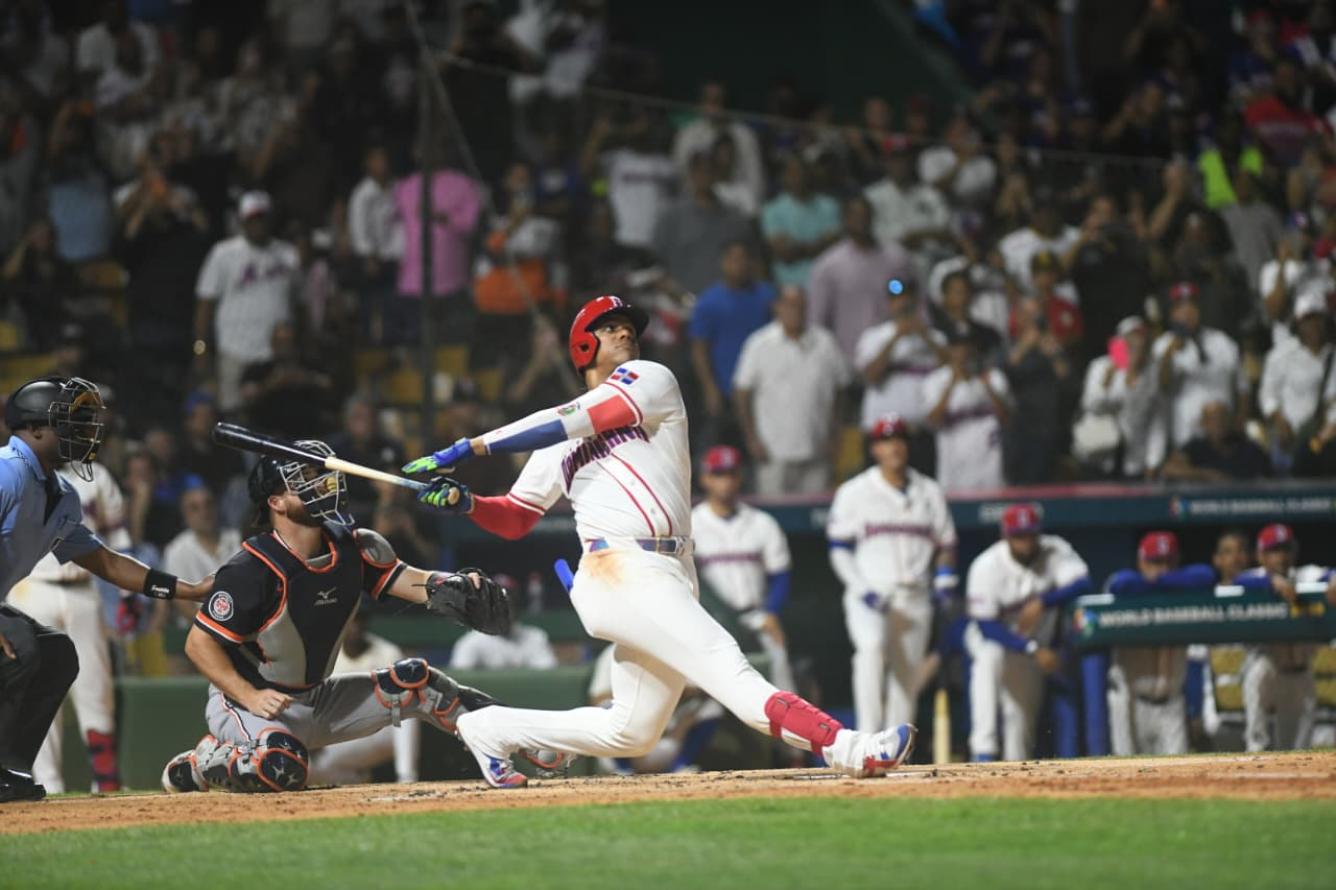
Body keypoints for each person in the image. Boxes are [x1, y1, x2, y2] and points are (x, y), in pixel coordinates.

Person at [404, 294, 916, 788]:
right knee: (726, 664)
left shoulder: (650, 380)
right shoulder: (554, 439)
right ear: (583, 345)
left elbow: (576, 419)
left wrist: (471, 446)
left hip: (671, 569)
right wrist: (467, 503)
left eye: (629, 327)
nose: (625, 333)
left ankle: (490, 728)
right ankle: (848, 747)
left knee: (631, 730)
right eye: (610, 328)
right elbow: (517, 517)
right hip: (620, 570)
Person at [159, 442, 527, 794]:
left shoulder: (355, 547)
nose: (321, 484)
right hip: (246, 704)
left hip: (318, 698)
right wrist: (250, 696)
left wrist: (455, 584)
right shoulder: (251, 569)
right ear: (276, 502)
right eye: (303, 479)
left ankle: (527, 738)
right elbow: (198, 644)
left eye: (320, 475)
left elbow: (414, 582)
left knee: (418, 682)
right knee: (282, 766)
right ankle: (205, 761)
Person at [1, 377, 211, 803]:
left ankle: (8, 770)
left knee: (58, 654)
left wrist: (187, 590)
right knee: (21, 644)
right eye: (68, 422)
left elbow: (108, 562)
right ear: (34, 428)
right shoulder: (8, 471)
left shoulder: (59, 494)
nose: (82, 431)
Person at [6, 458, 130, 794]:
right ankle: (48, 783)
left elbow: (117, 533)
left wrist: (127, 595)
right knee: (39, 689)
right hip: (32, 589)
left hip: (84, 590)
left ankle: (106, 779)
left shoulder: (95, 475)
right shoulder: (13, 471)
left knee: (96, 688)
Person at [826, 415, 957, 733]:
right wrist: (861, 588)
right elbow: (839, 548)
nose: (893, 447)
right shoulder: (855, 491)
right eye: (885, 441)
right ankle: (868, 737)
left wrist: (944, 577)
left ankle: (894, 749)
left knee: (907, 678)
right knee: (870, 651)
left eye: (898, 439)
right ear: (875, 449)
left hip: (915, 595)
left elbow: (946, 543)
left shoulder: (929, 491)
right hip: (872, 594)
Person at [964, 504, 1091, 762]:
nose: (1025, 542)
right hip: (996, 640)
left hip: (1033, 647)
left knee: (1020, 718)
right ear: (1006, 536)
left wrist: (1044, 601)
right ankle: (983, 751)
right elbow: (988, 628)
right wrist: (1031, 649)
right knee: (989, 659)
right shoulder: (986, 565)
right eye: (1018, 536)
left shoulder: (1054, 549)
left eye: (1030, 534)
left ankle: (1017, 774)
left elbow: (1083, 583)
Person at [1104, 531, 1218, 757]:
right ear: (1141, 562)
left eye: (1169, 562)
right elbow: (1120, 584)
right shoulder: (1130, 589)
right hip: (1132, 704)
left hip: (1171, 706)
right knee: (1127, 771)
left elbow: (1207, 576)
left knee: (1178, 772)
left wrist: (1161, 581)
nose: (1163, 569)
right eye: (1155, 562)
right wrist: (1162, 583)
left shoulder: (1183, 592)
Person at [690, 446, 795, 692]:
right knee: (703, 691)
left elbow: (780, 574)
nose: (725, 481)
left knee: (781, 675)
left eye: (731, 474)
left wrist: (772, 612)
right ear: (704, 478)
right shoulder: (690, 525)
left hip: (755, 617)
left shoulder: (762, 523)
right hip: (709, 621)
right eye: (718, 474)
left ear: (740, 477)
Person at [732, 285, 851, 496]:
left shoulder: (825, 342)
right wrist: (751, 438)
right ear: (777, 307)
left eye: (800, 305)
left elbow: (841, 388)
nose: (795, 310)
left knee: (815, 511)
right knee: (774, 511)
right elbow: (742, 392)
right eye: (789, 305)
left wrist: (835, 433)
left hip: (817, 447)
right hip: (772, 451)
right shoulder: (759, 344)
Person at [193, 192, 300, 412]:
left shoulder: (288, 255)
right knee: (233, 414)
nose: (258, 224)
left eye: (262, 218)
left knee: (276, 414)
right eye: (252, 219)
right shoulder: (224, 253)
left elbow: (299, 303)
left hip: (275, 356)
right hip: (235, 350)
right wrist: (201, 349)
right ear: (242, 221)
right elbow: (205, 305)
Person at [1232, 524, 1332, 752]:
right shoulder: (1254, 578)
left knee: (1298, 751)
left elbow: (1329, 574)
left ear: (1294, 551)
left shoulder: (1305, 575)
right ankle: (1255, 752)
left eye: (1285, 549)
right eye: (1274, 550)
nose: (1281, 557)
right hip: (1268, 666)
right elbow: (1238, 581)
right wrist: (1270, 582)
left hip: (1301, 672)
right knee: (1256, 671)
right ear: (1260, 555)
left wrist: (1334, 580)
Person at [307, 610, 419, 787]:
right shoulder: (326, 655)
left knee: (407, 708)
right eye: (350, 622)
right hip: (342, 733)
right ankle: (357, 781)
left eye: (359, 621)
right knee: (310, 767)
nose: (355, 627)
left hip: (381, 731)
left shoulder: (387, 652)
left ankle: (407, 778)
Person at [854, 277, 945, 471]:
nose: (902, 303)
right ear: (889, 302)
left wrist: (925, 336)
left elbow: (953, 368)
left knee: (922, 486)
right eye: (896, 298)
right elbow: (871, 376)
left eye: (907, 297)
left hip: (920, 433)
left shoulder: (935, 337)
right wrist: (896, 336)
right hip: (882, 433)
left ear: (916, 301)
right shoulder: (874, 336)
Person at [807, 195, 913, 357]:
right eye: (854, 216)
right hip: (848, 354)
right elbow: (817, 320)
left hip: (896, 354)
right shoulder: (828, 266)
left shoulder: (897, 258)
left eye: (865, 215)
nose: (861, 221)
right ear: (844, 220)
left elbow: (913, 302)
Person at [688, 241, 776, 431]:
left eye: (744, 259)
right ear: (723, 263)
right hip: (725, 388)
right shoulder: (709, 302)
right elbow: (699, 349)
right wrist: (709, 387)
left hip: (763, 388)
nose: (740, 264)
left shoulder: (766, 296)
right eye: (734, 259)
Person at [922, 331, 1011, 492]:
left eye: (966, 348)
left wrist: (987, 386)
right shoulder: (935, 381)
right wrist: (951, 384)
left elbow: (1007, 419)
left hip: (989, 465)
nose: (962, 353)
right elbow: (933, 421)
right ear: (949, 350)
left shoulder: (993, 377)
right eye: (957, 348)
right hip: (954, 466)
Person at [1259, 285, 1336, 470]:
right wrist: (1280, 422)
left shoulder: (1332, 355)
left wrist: (1322, 437)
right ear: (1297, 323)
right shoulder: (1282, 354)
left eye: (1317, 318)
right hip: (1289, 438)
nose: (1314, 325)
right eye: (1307, 320)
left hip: (1326, 439)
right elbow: (1267, 395)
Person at [761, 154, 840, 288]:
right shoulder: (771, 210)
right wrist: (819, 245)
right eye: (792, 173)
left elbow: (835, 248)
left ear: (810, 174)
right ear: (784, 177)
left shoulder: (830, 205)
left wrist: (798, 247)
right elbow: (785, 253)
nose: (798, 177)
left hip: (830, 281)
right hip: (792, 286)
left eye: (802, 172)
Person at [450, 579, 558, 670]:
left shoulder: (535, 637)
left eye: (509, 602)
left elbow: (548, 676)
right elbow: (460, 680)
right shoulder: (471, 642)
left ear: (517, 607)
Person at [1159, 401, 1272, 481]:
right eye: (1212, 420)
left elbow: (1270, 479)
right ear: (1203, 424)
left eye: (1223, 418)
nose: (1218, 424)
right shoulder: (1195, 447)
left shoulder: (1250, 449)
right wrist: (1205, 474)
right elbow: (1168, 469)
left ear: (1231, 421)